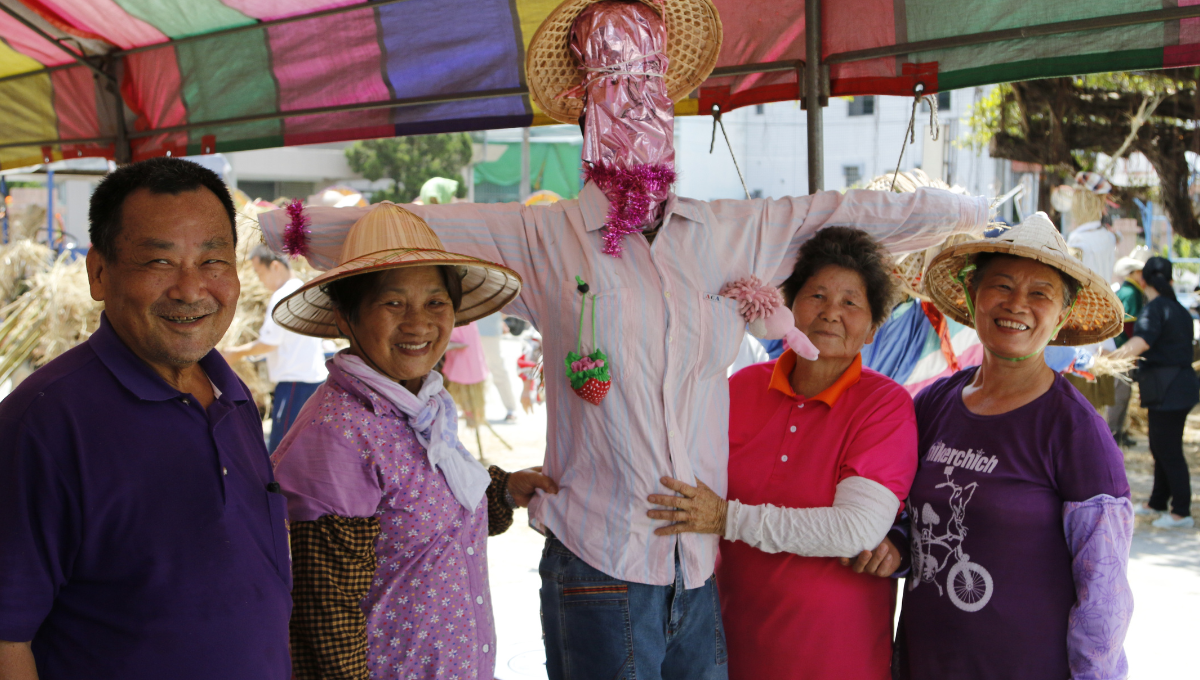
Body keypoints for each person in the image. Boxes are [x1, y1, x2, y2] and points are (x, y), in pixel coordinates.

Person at [259, 2, 987, 676]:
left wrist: (960, 210)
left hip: (699, 572)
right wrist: (278, 229)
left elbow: (850, 210)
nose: (635, 109)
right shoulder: (545, 237)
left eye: (648, 91)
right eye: (614, 90)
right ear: (583, 111)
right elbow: (420, 228)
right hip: (598, 562)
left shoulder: (734, 232)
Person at [0, 157, 291, 679]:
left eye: (212, 260)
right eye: (159, 263)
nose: (190, 289)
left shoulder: (234, 396)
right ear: (99, 273)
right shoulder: (43, 425)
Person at [269, 202, 558, 680]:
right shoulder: (336, 437)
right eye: (393, 302)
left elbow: (421, 525)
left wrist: (504, 491)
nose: (418, 323)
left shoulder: (421, 406)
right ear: (345, 316)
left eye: (435, 302)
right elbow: (326, 615)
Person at [645, 227, 918, 680]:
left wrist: (725, 518)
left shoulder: (884, 404)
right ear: (789, 307)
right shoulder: (740, 387)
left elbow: (855, 529)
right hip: (725, 649)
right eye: (817, 295)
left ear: (872, 329)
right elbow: (681, 486)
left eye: (851, 302)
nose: (831, 312)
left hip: (837, 659)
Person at [879, 213, 1133, 679]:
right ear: (973, 294)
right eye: (1002, 286)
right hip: (925, 663)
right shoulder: (935, 402)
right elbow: (904, 516)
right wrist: (895, 546)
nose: (1017, 304)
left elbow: (1104, 592)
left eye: (1041, 293)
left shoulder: (1075, 430)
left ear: (1062, 317)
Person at [1111, 256, 1197, 528]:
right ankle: (1157, 502)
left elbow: (1141, 342)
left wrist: (1107, 359)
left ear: (1143, 280)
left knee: (1167, 449)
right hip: (1179, 387)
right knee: (1160, 447)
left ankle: (1181, 512)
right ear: (1170, 280)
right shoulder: (1179, 309)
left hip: (1167, 389)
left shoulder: (1155, 309)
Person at [224, 244, 329, 451]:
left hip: (294, 384)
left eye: (259, 273)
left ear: (275, 267)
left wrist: (235, 353)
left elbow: (269, 343)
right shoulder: (301, 288)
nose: (260, 280)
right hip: (311, 380)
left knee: (281, 449)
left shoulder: (282, 296)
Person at [1107, 255, 1147, 445]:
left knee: (1123, 394)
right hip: (1123, 352)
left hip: (1122, 351)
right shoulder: (1131, 293)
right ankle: (1113, 435)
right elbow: (1130, 326)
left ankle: (1118, 432)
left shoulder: (1129, 291)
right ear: (1133, 273)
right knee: (1120, 395)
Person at [478, 312, 520, 421]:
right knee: (471, 370)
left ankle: (511, 408)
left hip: (489, 329)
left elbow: (505, 304)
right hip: (469, 329)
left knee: (497, 369)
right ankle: (473, 409)